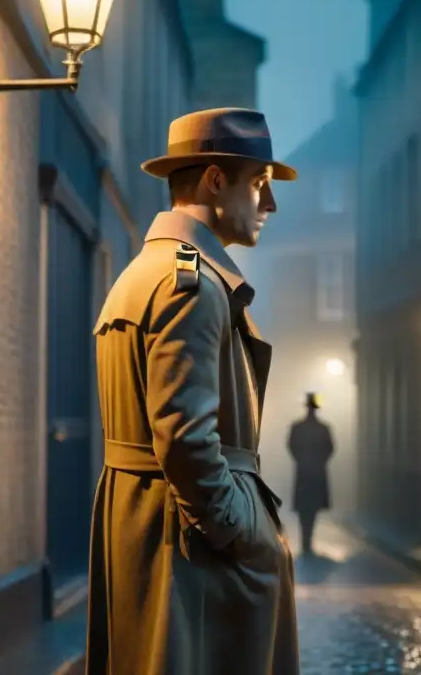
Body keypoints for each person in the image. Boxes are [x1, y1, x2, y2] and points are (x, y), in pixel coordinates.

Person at [86, 108, 300, 675]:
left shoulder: (146, 273)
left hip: (156, 527)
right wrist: (240, 532)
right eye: (258, 184)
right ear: (213, 180)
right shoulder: (192, 286)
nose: (269, 205)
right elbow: (184, 437)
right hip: (190, 548)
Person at [287, 393, 334, 556]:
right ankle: (307, 539)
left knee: (305, 508)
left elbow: (291, 446)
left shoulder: (297, 427)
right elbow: (330, 448)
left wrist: (302, 460)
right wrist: (319, 461)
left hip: (305, 472)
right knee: (310, 507)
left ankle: (306, 539)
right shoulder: (323, 428)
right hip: (316, 472)